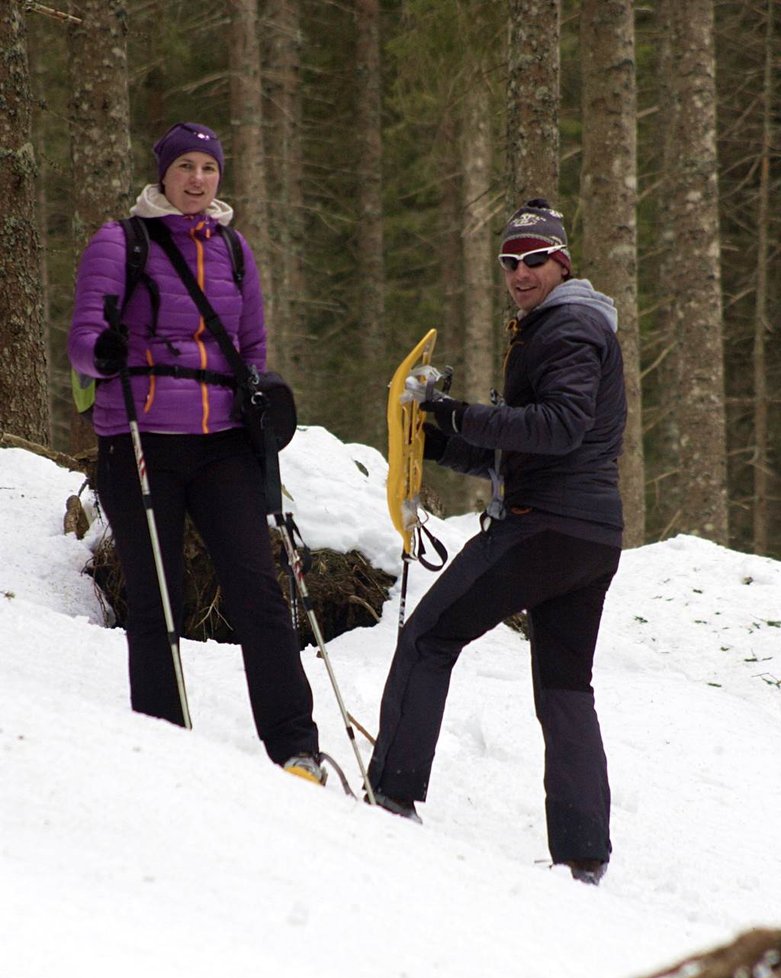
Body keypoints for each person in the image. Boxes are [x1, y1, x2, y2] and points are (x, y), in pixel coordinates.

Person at [367, 198, 626, 885]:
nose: (520, 272)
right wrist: (442, 440)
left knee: (427, 638)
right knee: (565, 688)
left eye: (533, 259)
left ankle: (391, 794)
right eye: (509, 261)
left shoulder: (567, 326)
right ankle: (584, 854)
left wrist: (456, 411)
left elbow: (557, 427)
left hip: (544, 526)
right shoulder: (561, 326)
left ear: (560, 262)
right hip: (590, 534)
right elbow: (525, 448)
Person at [68, 121, 324, 785]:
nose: (197, 180)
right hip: (140, 440)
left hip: (222, 447)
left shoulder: (234, 250)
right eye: (185, 167)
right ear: (163, 174)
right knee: (157, 598)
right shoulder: (119, 242)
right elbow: (83, 338)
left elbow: (253, 346)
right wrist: (104, 352)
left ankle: (295, 748)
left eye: (207, 169)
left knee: (258, 595)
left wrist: (260, 397)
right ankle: (163, 743)